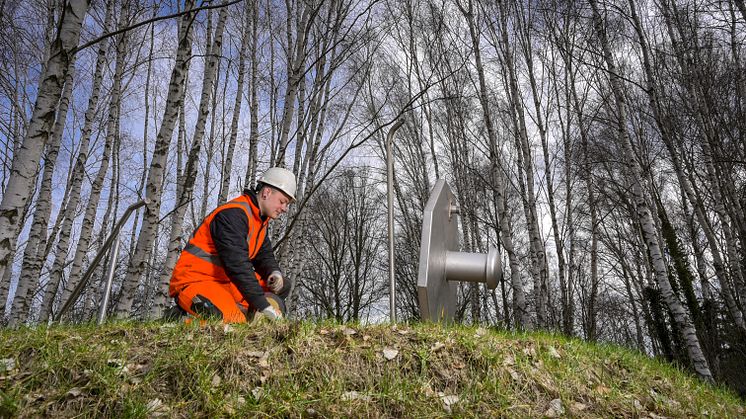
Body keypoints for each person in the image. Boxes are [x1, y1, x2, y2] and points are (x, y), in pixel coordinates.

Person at [168, 167, 296, 323]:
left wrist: (274, 273)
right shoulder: (232, 215)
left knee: (282, 286)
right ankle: (180, 318)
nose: (284, 208)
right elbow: (238, 265)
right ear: (266, 192)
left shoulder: (260, 221)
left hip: (226, 281)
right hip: (196, 279)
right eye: (282, 202)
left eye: (287, 204)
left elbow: (264, 256)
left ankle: (252, 314)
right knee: (232, 321)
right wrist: (262, 305)